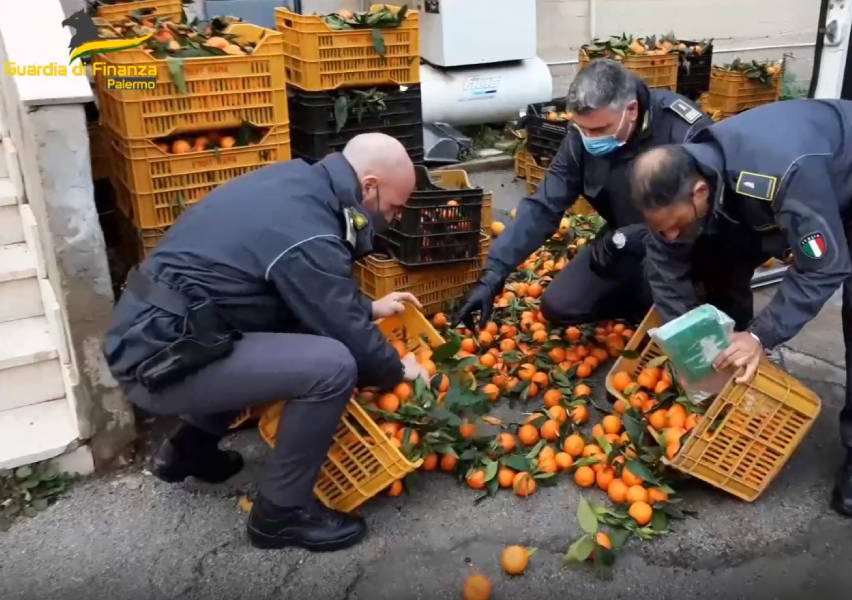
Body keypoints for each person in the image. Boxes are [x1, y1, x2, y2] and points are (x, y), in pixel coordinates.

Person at [104, 133, 430, 551]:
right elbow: (346, 332)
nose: (395, 218)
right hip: (158, 360)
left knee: (278, 341)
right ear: (369, 186)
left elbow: (304, 292)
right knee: (332, 366)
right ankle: (281, 515)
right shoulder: (310, 229)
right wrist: (399, 370)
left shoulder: (300, 184)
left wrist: (367, 308)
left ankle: (190, 450)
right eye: (394, 207)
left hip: (165, 334)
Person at [628, 98, 852, 518]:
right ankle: (734, 384)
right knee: (715, 255)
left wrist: (758, 335)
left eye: (676, 223)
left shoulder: (779, 173)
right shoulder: (678, 185)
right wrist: (688, 344)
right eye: (663, 228)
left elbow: (824, 268)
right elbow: (664, 264)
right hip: (814, 181)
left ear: (700, 192)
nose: (671, 234)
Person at [452, 59, 711, 330]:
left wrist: (631, 237)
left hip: (681, 246)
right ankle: (637, 303)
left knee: (667, 303)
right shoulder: (583, 137)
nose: (590, 138)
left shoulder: (682, 130)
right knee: (560, 305)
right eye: (582, 129)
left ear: (632, 110)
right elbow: (544, 205)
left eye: (598, 130)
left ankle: (678, 299)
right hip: (618, 244)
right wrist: (494, 272)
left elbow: (710, 214)